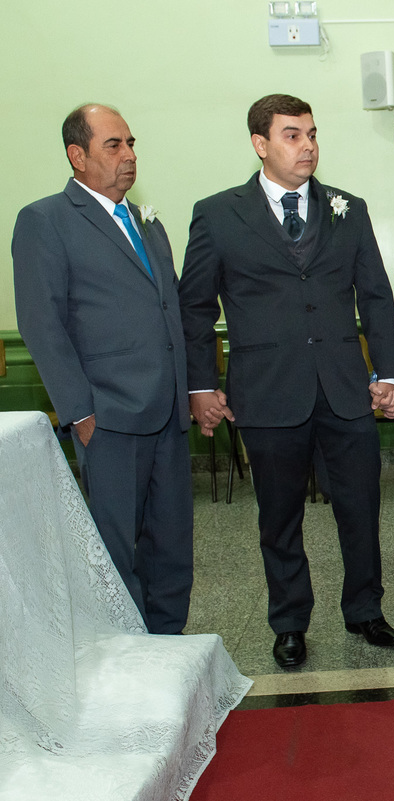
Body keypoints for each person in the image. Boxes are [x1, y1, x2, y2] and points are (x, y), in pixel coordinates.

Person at [178, 94, 394, 669]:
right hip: (267, 389)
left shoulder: (346, 209)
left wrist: (389, 373)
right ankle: (289, 622)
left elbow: (376, 297)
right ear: (260, 144)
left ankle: (365, 610)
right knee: (278, 517)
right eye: (291, 135)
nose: (307, 145)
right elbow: (196, 307)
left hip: (344, 388)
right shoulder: (217, 213)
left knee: (360, 506)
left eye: (311, 134)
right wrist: (201, 384)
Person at [12, 104, 193, 634]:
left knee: (172, 543)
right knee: (117, 548)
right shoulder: (45, 220)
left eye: (131, 143)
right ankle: (129, 653)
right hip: (108, 414)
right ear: (78, 155)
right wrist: (79, 412)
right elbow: (41, 324)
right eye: (114, 145)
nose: (129, 155)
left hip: (167, 411)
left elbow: (167, 310)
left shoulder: (144, 221)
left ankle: (169, 647)